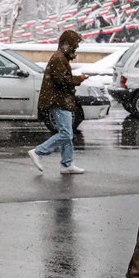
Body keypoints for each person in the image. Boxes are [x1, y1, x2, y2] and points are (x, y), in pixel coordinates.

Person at [28, 29, 88, 174]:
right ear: (69, 44)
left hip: (61, 100)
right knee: (66, 133)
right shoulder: (59, 58)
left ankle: (67, 165)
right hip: (59, 101)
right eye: (76, 44)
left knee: (67, 133)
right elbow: (62, 81)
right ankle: (38, 152)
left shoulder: (61, 57)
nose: (77, 47)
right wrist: (77, 79)